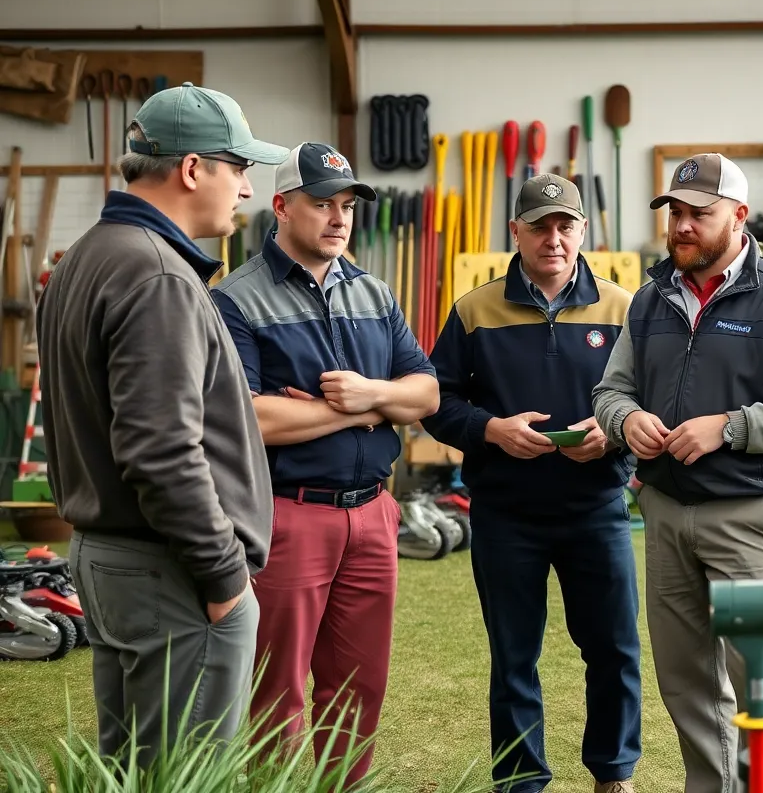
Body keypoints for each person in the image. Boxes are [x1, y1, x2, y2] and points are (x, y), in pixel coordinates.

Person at [35, 83, 287, 763]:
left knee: (134, 770)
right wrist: (225, 578)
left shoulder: (88, 256)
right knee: (183, 773)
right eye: (239, 168)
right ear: (193, 169)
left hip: (113, 560)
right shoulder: (157, 275)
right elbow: (162, 452)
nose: (244, 191)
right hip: (169, 572)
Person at [591, 153, 763, 792]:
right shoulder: (651, 300)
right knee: (687, 687)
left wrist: (730, 426)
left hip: (751, 518)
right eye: (674, 213)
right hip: (666, 515)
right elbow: (610, 391)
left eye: (698, 215)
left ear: (738, 217)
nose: (682, 226)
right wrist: (626, 422)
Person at [211, 142, 440, 782]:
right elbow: (252, 418)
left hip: (372, 515)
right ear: (281, 207)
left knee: (358, 691)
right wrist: (368, 409)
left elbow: (426, 393)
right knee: (273, 694)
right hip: (288, 518)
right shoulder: (235, 300)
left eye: (346, 206)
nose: (338, 219)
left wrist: (371, 397)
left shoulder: (373, 292)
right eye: (321, 204)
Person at [419, 174, 642, 793]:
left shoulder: (626, 309)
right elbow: (437, 402)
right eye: (539, 226)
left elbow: (651, 400)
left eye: (565, 226)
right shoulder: (474, 310)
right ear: (514, 231)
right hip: (504, 513)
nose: (553, 239)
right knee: (515, 658)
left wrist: (614, 432)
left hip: (596, 507)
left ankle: (614, 773)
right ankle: (521, 781)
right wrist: (492, 430)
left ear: (582, 232)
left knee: (614, 650)